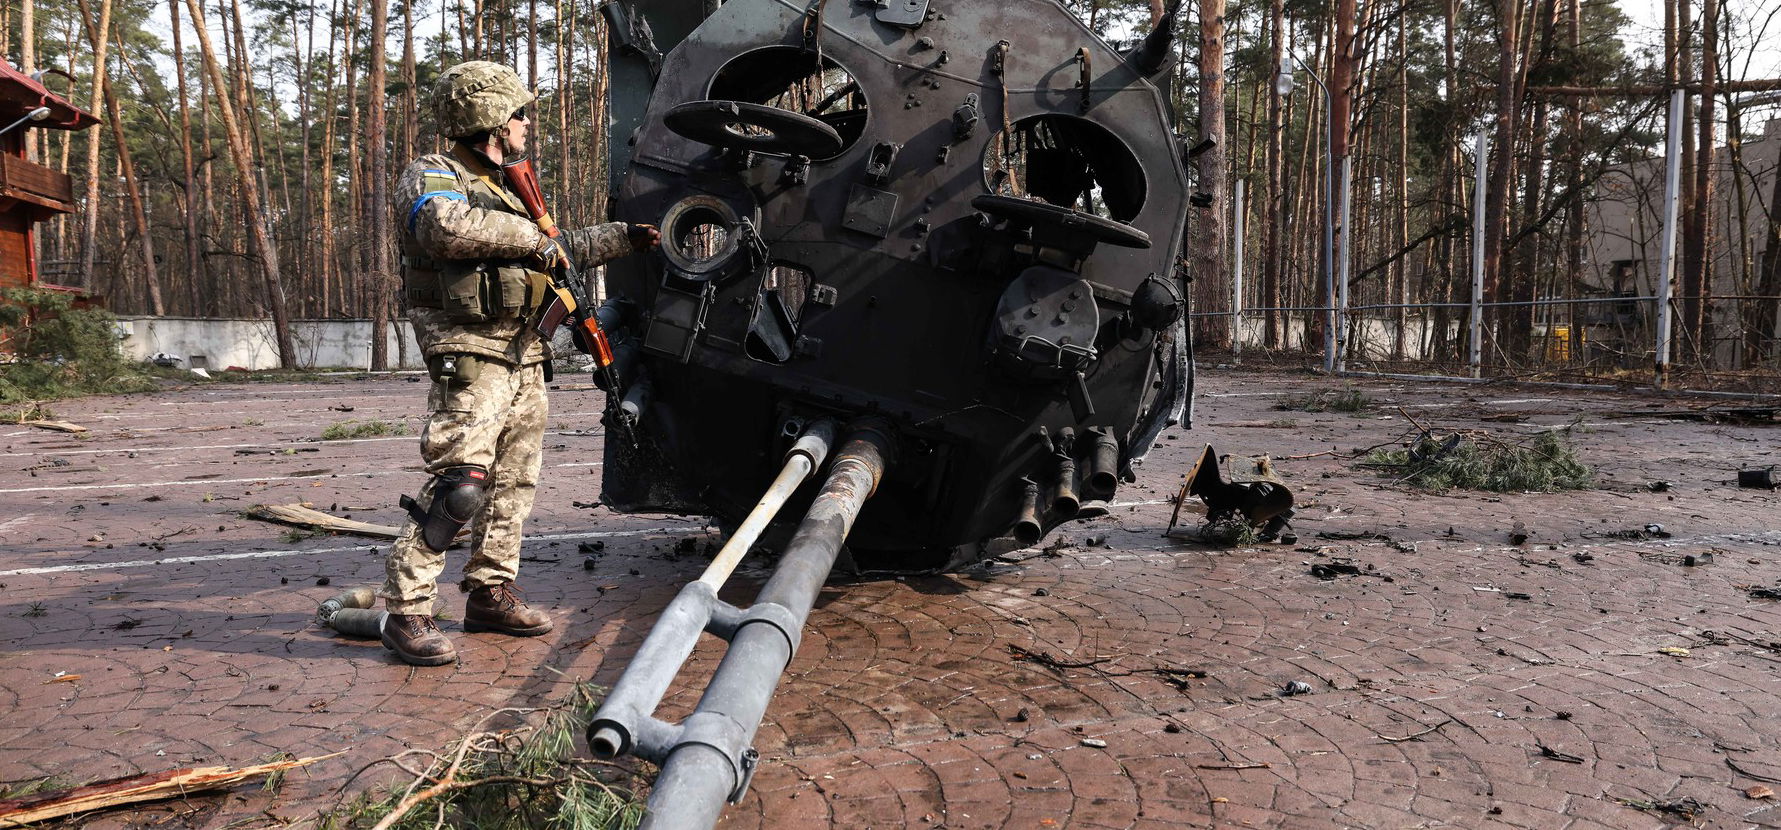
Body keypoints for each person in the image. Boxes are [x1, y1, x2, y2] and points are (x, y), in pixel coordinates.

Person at [380, 60, 660, 666]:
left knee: (513, 485)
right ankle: (406, 611)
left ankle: (489, 592)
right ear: (489, 120)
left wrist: (629, 237)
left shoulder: (512, 190)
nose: (528, 124)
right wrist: (536, 240)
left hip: (524, 354)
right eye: (519, 114)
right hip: (471, 354)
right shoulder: (433, 174)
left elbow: (558, 251)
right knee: (462, 487)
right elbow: (443, 227)